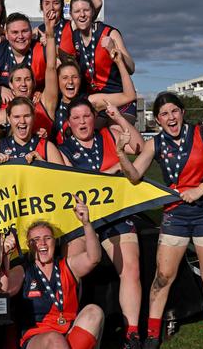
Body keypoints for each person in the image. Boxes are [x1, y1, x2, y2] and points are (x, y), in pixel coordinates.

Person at [116, 92, 203, 349]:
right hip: (176, 216)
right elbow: (135, 176)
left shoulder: (202, 134)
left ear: (182, 112)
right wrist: (120, 152)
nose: (170, 117)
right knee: (163, 276)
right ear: (158, 120)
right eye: (164, 114)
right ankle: (152, 335)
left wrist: (201, 189)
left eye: (174, 111)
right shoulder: (155, 143)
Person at [59, 98, 144, 347]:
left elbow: (140, 147)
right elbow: (72, 184)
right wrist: (111, 172)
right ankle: (71, 325)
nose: (82, 122)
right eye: (76, 118)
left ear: (94, 118)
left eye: (86, 116)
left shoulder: (110, 134)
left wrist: (117, 116)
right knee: (71, 270)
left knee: (131, 268)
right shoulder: (62, 149)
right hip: (82, 219)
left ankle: (132, 333)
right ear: (69, 122)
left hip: (116, 214)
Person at [4, 196, 104, 349]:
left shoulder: (67, 265)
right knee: (54, 339)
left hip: (67, 333)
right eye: (36, 239)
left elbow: (94, 258)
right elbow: (5, 289)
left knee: (94, 312)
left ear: (54, 242)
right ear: (29, 245)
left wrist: (86, 223)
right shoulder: (23, 270)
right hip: (37, 337)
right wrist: (5, 255)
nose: (42, 243)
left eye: (47, 238)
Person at [69, 0, 136, 120]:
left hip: (120, 97)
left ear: (93, 12)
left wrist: (117, 52)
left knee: (115, 132)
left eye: (86, 10)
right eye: (77, 11)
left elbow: (132, 68)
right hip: (94, 101)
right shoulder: (74, 37)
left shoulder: (109, 33)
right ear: (71, 15)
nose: (82, 15)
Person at [0, 97, 64, 165]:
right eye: (16, 117)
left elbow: (62, 179)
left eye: (27, 116)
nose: (22, 121)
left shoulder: (48, 147)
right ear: (8, 118)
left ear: (34, 117)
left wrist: (43, 164)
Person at [0, 13, 47, 101]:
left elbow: (58, 78)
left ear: (31, 32)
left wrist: (44, 92)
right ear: (6, 35)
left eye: (25, 31)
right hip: (5, 106)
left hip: (36, 105)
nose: (20, 36)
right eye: (15, 32)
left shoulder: (42, 49)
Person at [35, 0, 102, 58]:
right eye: (47, 3)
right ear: (41, 7)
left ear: (62, 6)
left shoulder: (72, 25)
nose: (51, 8)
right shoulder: (37, 32)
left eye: (56, 3)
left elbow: (97, 4)